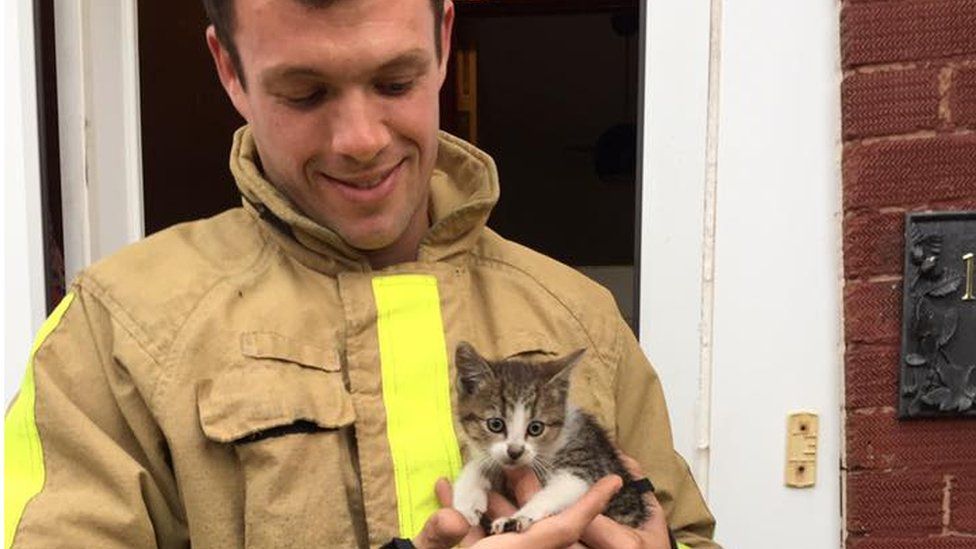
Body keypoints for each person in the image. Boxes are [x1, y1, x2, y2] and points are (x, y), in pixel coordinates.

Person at [4, 0, 718, 547]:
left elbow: (685, 530)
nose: (361, 141)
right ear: (230, 70)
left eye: (394, 80)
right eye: (305, 93)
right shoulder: (117, 326)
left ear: (444, 39)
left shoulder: (580, 314)